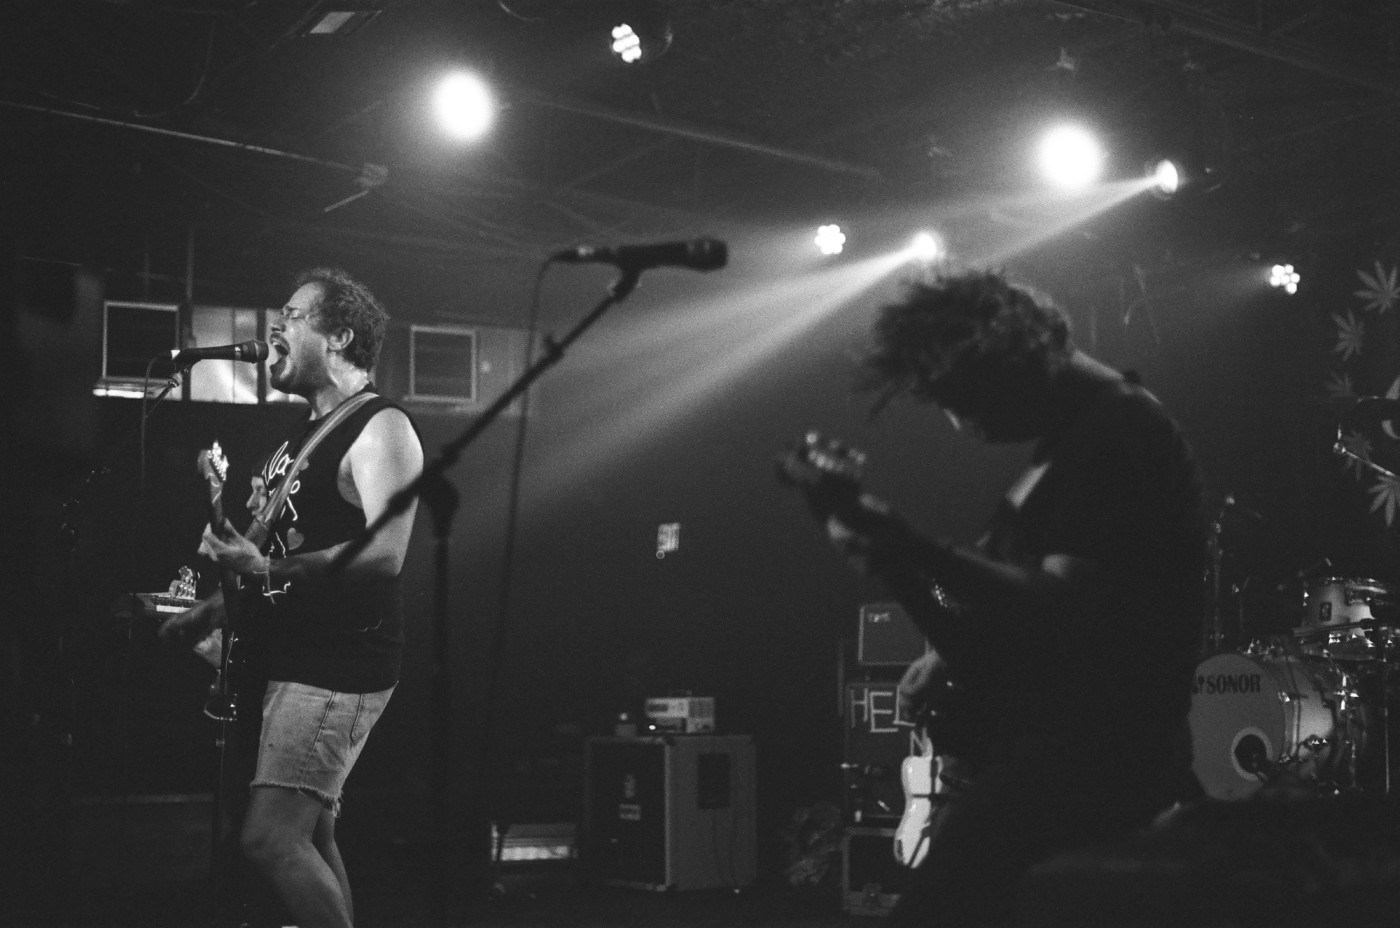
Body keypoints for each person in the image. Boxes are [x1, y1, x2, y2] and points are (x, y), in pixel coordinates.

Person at [800, 270, 1205, 926]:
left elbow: (1059, 612)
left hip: (1092, 765)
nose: (962, 423)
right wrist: (901, 572)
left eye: (962, 398)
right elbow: (995, 626)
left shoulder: (1119, 432)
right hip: (1058, 758)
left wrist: (910, 549)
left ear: (1010, 365)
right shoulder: (1069, 448)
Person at [160, 267, 423, 928]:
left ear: (338, 337)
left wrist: (263, 561)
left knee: (271, 839)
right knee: (312, 837)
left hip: (339, 664)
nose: (276, 328)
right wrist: (198, 613)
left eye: (294, 315)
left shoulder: (382, 427)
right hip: (296, 658)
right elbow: (253, 565)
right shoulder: (295, 444)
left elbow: (386, 553)